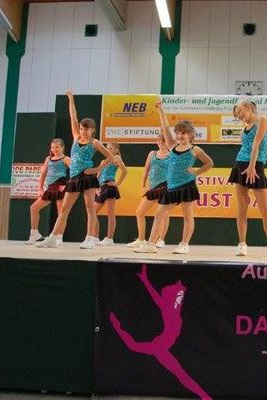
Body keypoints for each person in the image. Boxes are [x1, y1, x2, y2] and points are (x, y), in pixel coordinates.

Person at [110, 265, 211, 399]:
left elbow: (159, 294)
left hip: (160, 343)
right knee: (181, 375)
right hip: (160, 345)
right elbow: (157, 295)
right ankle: (205, 397)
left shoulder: (169, 307)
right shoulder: (168, 307)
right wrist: (146, 281)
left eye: (165, 293)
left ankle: (205, 397)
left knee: (181, 375)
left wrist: (146, 280)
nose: (162, 294)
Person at [37, 90, 113, 249]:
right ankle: (53, 237)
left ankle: (90, 239)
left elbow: (110, 157)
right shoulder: (76, 137)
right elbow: (73, 116)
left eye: (87, 129)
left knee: (90, 208)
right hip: (74, 178)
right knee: (64, 209)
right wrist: (71, 98)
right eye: (82, 128)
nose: (84, 131)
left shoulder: (95, 142)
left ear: (92, 130)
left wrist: (96, 169)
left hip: (87, 177)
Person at [136, 101, 213, 255]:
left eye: (183, 133)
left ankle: (184, 244)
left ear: (190, 134)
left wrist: (196, 173)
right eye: (178, 133)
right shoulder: (172, 146)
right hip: (171, 187)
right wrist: (161, 110)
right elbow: (165, 127)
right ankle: (151, 244)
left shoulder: (195, 149)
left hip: (187, 186)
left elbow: (209, 163)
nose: (180, 136)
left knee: (187, 215)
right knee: (159, 213)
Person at [227, 99, 267, 257]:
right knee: (242, 207)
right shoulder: (244, 128)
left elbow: (256, 144)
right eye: (237, 115)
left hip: (256, 165)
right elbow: (245, 146)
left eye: (240, 112)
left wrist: (252, 166)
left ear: (248, 107)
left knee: (264, 208)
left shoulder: (263, 120)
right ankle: (242, 244)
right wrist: (247, 165)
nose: (239, 116)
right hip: (240, 164)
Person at [127, 134, 171, 249]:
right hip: (152, 187)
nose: (160, 142)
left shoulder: (171, 155)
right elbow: (146, 170)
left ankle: (161, 239)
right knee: (139, 212)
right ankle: (141, 239)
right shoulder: (152, 154)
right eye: (158, 140)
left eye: (163, 141)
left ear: (167, 142)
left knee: (164, 214)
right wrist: (143, 185)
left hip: (166, 186)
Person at [26, 139, 70, 244]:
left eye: (57, 147)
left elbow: (75, 172)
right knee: (33, 208)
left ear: (62, 147)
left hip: (60, 186)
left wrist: (67, 185)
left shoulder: (66, 158)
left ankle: (59, 237)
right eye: (52, 147)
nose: (55, 149)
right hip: (50, 188)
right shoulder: (48, 158)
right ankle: (34, 234)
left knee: (61, 213)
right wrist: (40, 188)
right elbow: (43, 173)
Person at [91, 142, 128, 246]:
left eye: (111, 148)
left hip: (110, 187)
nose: (109, 150)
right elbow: (98, 176)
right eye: (107, 148)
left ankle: (109, 238)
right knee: (93, 212)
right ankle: (95, 237)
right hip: (101, 188)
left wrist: (117, 183)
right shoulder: (104, 161)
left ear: (116, 150)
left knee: (110, 213)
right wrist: (96, 188)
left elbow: (125, 171)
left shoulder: (116, 158)